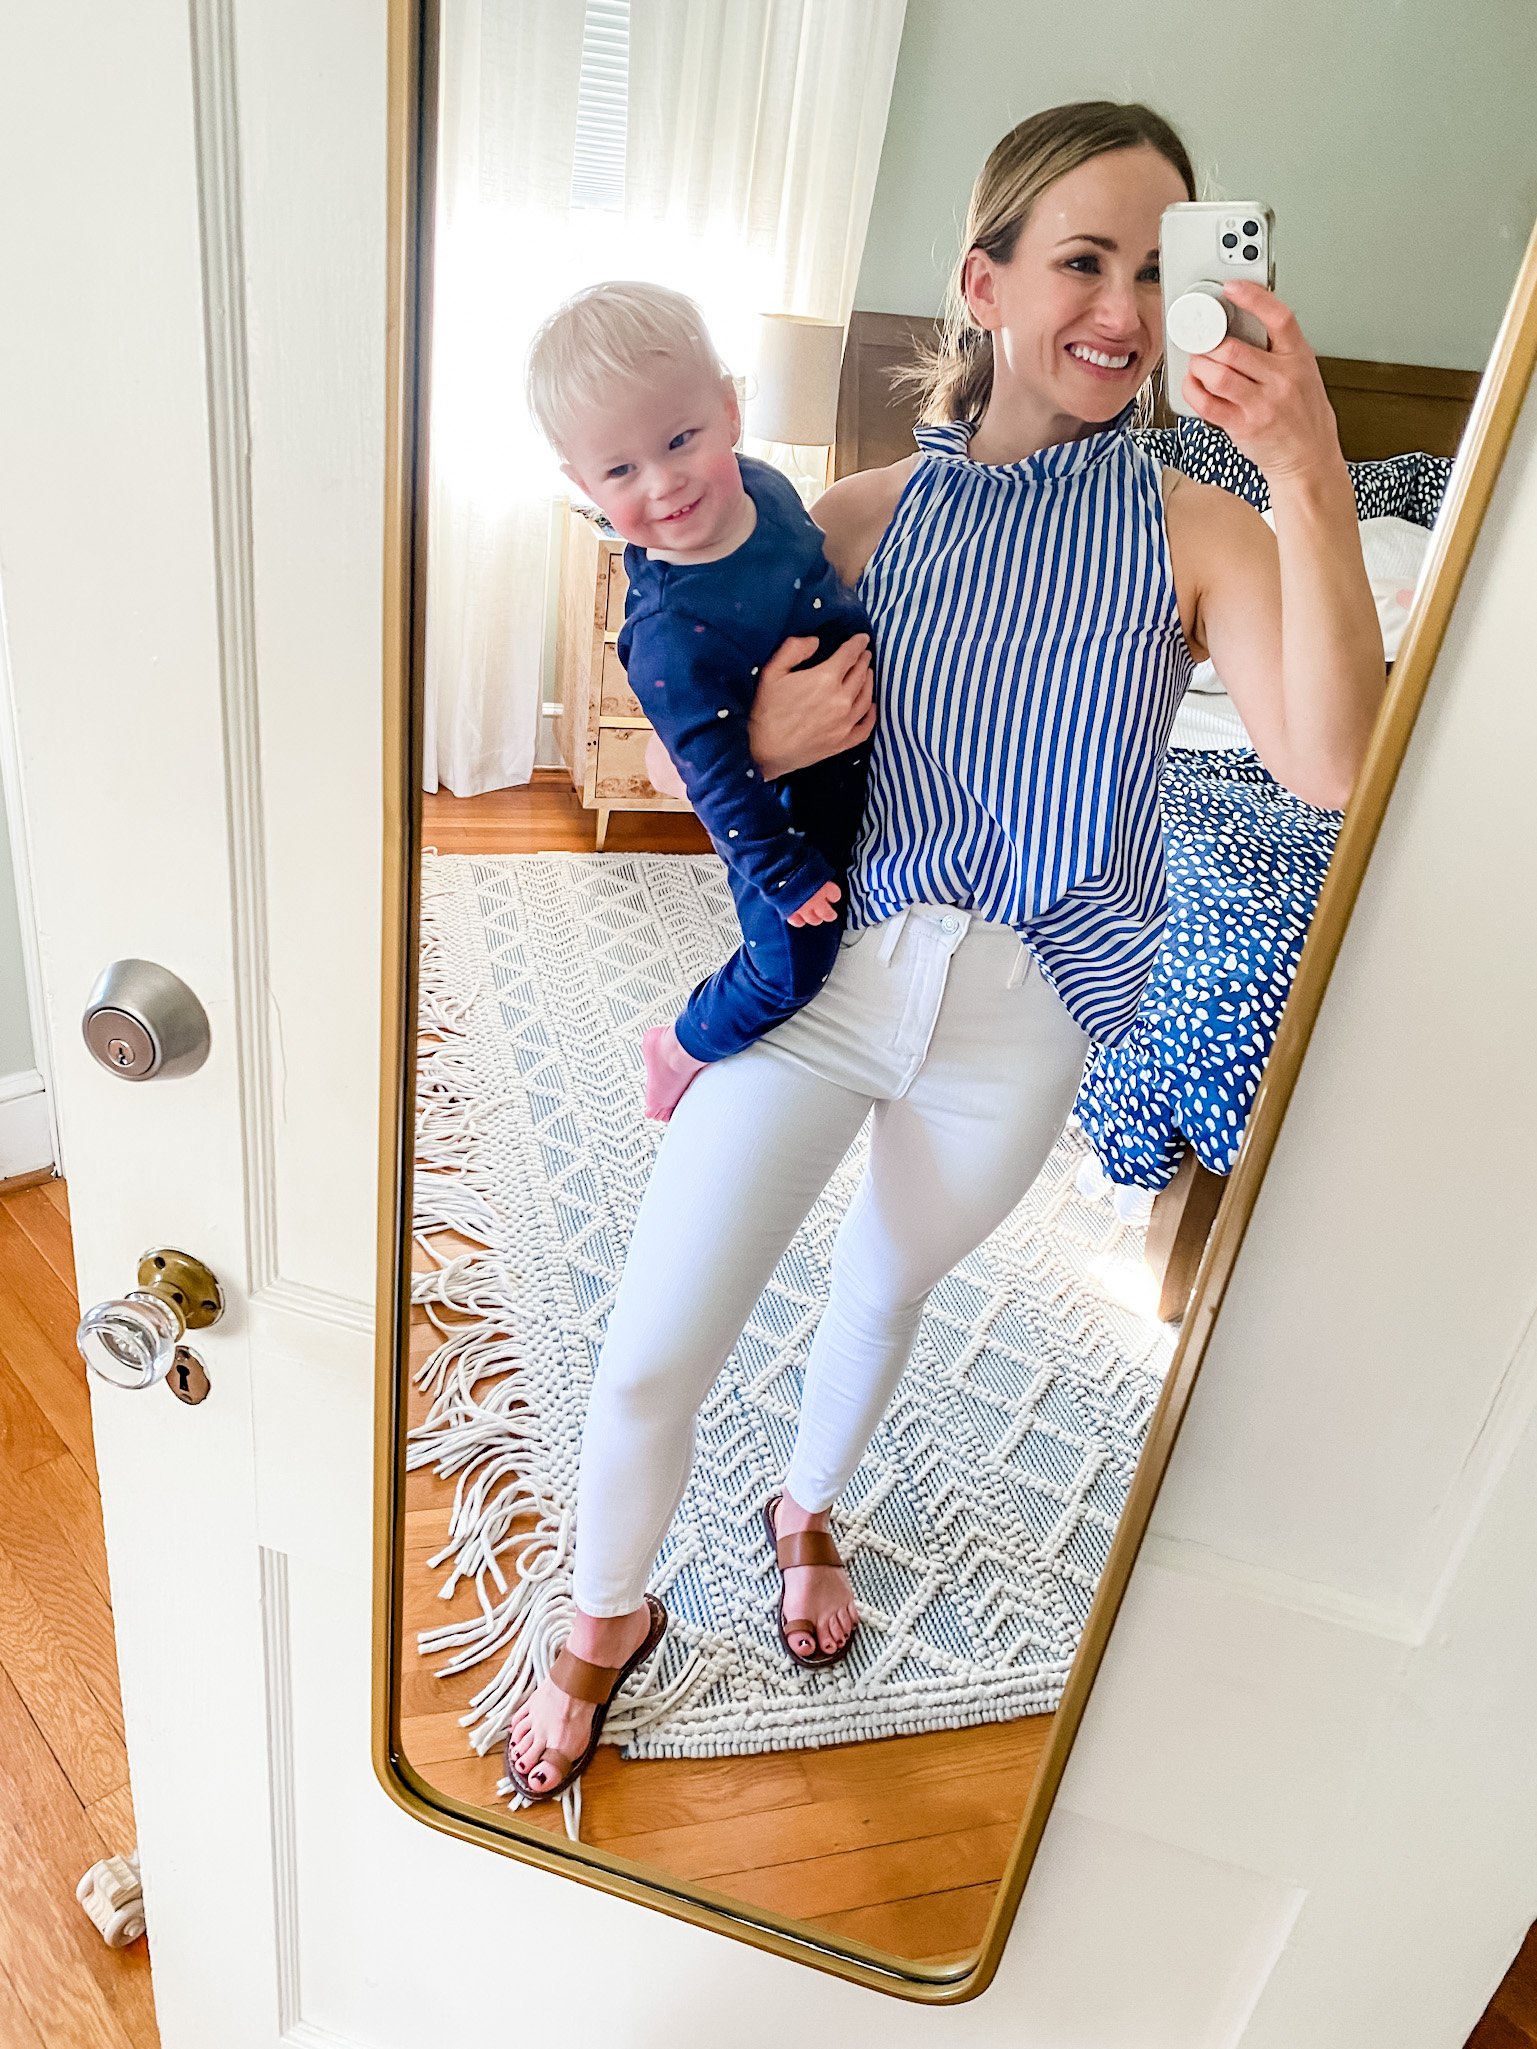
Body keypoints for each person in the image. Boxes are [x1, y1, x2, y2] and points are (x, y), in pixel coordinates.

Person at [507, 99, 1382, 1801]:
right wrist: (749, 756)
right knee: (653, 1352)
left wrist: (1305, 469)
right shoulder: (843, 519)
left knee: (889, 1285)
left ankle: (802, 1505)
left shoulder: (1201, 532)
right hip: (832, 989)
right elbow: (704, 729)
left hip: (1026, 1015)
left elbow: (1334, 765)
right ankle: (604, 1615)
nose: (1124, 306)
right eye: (1081, 259)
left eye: (1156, 265)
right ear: (980, 282)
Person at [525, 282, 872, 1123]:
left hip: (854, 776)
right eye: (620, 470)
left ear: (728, 412)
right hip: (778, 819)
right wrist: (784, 876)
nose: (664, 481)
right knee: (792, 966)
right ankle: (681, 1043)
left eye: (681, 438)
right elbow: (712, 780)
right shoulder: (669, 632)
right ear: (584, 483)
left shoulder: (771, 492)